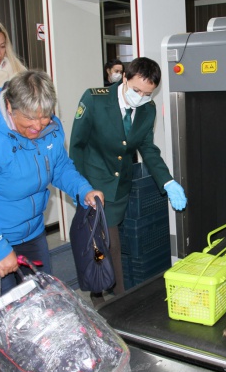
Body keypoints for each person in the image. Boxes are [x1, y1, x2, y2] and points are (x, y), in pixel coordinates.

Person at [0, 70, 104, 304]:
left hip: (31, 233)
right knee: (10, 318)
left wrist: (84, 190)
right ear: (10, 106)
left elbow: (60, 167)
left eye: (45, 116)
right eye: (30, 118)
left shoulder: (50, 129)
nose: (38, 125)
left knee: (44, 304)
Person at [70, 56, 187, 305]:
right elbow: (77, 146)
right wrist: (79, 187)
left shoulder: (147, 109)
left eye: (147, 94)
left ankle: (105, 287)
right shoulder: (95, 99)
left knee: (107, 242)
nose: (141, 97)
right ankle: (107, 294)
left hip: (121, 185)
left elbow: (147, 148)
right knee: (104, 243)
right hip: (94, 184)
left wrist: (167, 181)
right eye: (136, 90)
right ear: (124, 77)